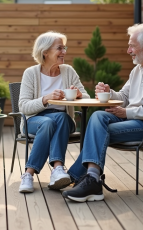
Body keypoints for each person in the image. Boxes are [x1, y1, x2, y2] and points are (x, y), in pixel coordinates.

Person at [62, 23, 143, 202]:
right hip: (135, 121)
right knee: (98, 117)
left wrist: (126, 113)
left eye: (132, 46)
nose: (128, 50)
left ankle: (83, 178)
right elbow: (124, 96)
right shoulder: (138, 70)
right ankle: (89, 178)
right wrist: (109, 93)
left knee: (99, 131)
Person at [18, 31, 90, 193]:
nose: (64, 52)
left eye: (64, 48)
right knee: (49, 122)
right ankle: (52, 169)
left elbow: (86, 96)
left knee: (61, 118)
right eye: (59, 48)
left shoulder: (68, 71)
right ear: (45, 52)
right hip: (35, 120)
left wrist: (78, 95)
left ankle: (35, 173)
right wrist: (46, 99)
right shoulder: (30, 73)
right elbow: (23, 106)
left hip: (63, 120)